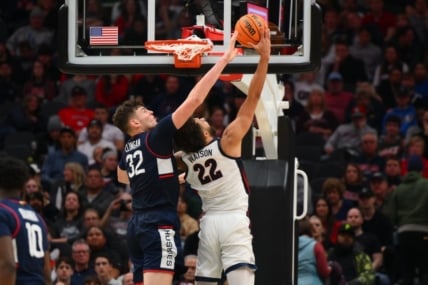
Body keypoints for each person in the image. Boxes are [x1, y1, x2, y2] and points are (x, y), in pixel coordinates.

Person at [112, 31, 240, 285]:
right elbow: (194, 100)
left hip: (137, 226)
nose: (151, 112)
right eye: (144, 110)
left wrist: (166, 177)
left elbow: (121, 175)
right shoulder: (155, 137)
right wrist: (224, 59)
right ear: (135, 122)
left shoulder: (129, 148)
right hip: (157, 222)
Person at [173, 27, 271, 285]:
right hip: (233, 221)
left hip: (208, 224)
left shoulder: (184, 158)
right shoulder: (227, 142)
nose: (203, 118)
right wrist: (265, 57)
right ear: (205, 134)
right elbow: (254, 97)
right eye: (201, 121)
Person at [0, 156, 51, 285]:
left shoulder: (3, 212)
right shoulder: (37, 217)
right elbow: (47, 272)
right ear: (24, 185)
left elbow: (8, 264)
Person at [385, 154, 428, 285]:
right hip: (425, 234)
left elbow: (390, 215)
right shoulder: (426, 185)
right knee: (425, 271)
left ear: (407, 170)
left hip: (404, 234)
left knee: (407, 272)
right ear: (421, 170)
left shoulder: (398, 190)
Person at [297, 217, 331, 285]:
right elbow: (324, 272)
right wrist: (331, 268)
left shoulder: (291, 246)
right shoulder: (316, 246)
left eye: (317, 225)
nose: (315, 228)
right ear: (310, 229)